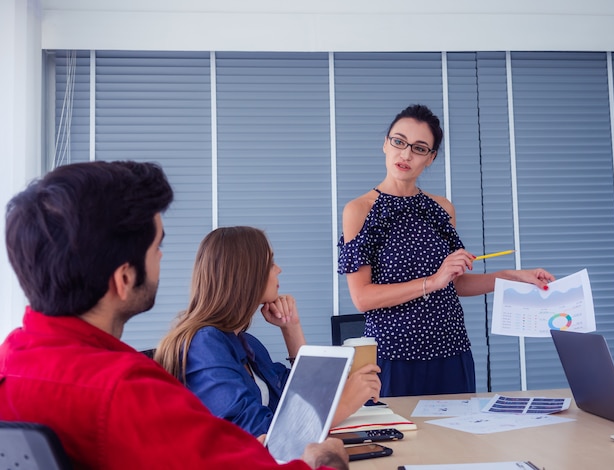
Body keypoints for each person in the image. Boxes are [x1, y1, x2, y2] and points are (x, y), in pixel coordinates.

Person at [0, 161, 348, 470]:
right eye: (157, 247)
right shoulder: (126, 393)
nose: (162, 259)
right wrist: (323, 461)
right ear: (124, 279)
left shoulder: (10, 360)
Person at [338, 104, 555, 397]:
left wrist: (515, 277)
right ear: (385, 144)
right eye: (399, 142)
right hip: (392, 355)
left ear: (431, 158)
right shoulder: (360, 210)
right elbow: (362, 298)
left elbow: (456, 283)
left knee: (456, 440)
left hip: (451, 350)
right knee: (402, 443)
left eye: (419, 148)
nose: (406, 154)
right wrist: (432, 282)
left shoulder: (441, 208)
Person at [154, 226, 381, 438]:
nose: (279, 269)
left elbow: (304, 401)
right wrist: (343, 405)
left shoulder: (248, 344)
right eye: (271, 262)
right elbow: (256, 433)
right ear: (246, 274)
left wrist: (292, 327)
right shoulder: (203, 344)